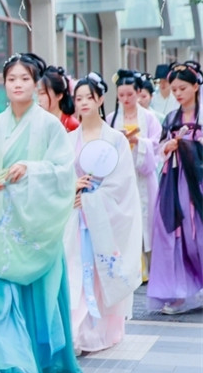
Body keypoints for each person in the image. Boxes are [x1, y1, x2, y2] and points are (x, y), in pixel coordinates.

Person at [0, 52, 81, 373]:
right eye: (11, 79)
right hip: (0, 225)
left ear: (36, 83)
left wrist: (30, 169)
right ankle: (0, 366)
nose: (17, 84)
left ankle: (29, 359)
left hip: (34, 226)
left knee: (34, 295)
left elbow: (63, 172)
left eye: (24, 79)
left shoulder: (50, 126)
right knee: (1, 294)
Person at [63, 73, 141, 354]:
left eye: (89, 97)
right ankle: (75, 332)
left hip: (102, 219)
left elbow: (122, 183)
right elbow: (59, 176)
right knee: (75, 270)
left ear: (100, 99)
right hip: (74, 217)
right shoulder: (68, 139)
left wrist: (93, 198)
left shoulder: (115, 139)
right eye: (79, 98)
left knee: (100, 271)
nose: (84, 102)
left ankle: (98, 331)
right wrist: (72, 188)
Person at [147, 60, 203, 315]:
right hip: (174, 182)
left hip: (198, 183)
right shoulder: (171, 118)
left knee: (197, 237)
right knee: (173, 237)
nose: (178, 93)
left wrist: (189, 144)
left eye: (182, 88)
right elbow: (160, 148)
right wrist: (168, 147)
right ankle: (179, 292)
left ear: (195, 86)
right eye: (174, 89)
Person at [107, 68, 161, 281]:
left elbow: (156, 145)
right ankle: (130, 268)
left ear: (138, 93)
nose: (126, 99)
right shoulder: (112, 119)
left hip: (144, 178)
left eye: (130, 94)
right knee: (124, 221)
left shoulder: (149, 118)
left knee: (148, 222)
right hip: (121, 180)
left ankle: (150, 269)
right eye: (121, 95)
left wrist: (139, 142)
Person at [37, 65, 79, 132]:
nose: (39, 99)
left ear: (59, 95)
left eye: (42, 93)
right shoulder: (36, 122)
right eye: (37, 94)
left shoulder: (71, 125)